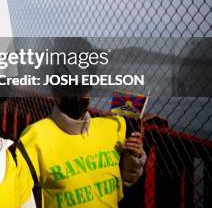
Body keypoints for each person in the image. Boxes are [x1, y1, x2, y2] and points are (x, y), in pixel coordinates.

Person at [19, 67, 146, 207]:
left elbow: (126, 180)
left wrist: (133, 158)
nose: (77, 97)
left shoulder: (112, 128)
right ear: (56, 94)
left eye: (82, 89)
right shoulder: (35, 136)